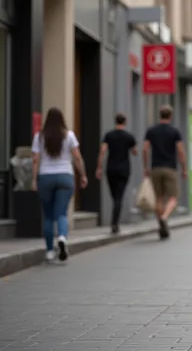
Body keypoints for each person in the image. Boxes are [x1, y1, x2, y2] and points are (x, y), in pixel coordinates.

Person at [31, 108, 88, 262]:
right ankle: (62, 237)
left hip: (46, 177)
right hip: (65, 177)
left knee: (48, 216)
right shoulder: (69, 135)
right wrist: (82, 175)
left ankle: (50, 251)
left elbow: (35, 159)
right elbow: (77, 157)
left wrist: (34, 179)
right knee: (61, 213)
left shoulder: (39, 137)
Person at [143, 105, 187, 240]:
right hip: (170, 169)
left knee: (159, 198)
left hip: (155, 168)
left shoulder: (151, 131)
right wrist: (184, 168)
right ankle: (164, 217)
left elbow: (145, 149)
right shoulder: (174, 132)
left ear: (159, 115)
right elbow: (180, 151)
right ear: (171, 116)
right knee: (173, 198)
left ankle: (161, 224)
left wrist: (145, 167)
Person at [96, 113, 137, 234]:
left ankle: (114, 220)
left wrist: (99, 167)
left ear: (115, 122)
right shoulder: (129, 136)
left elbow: (102, 151)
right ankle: (115, 223)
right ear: (125, 122)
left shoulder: (109, 135)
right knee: (119, 196)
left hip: (111, 169)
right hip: (124, 169)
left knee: (114, 196)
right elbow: (135, 152)